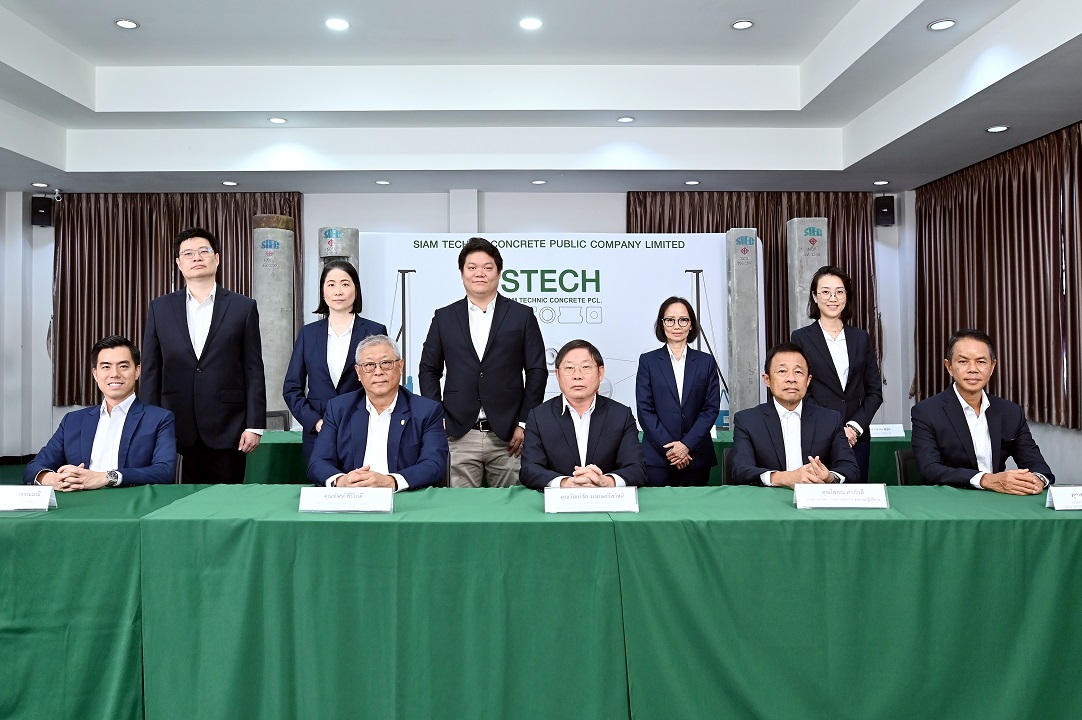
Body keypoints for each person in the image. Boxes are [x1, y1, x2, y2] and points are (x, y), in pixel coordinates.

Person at [140, 227, 266, 484]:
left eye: (203, 251)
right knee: (177, 501)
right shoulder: (160, 308)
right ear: (179, 263)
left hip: (228, 427)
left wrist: (254, 425)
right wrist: (150, 425)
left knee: (225, 500)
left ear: (216, 258)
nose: (196, 257)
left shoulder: (243, 307)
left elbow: (253, 368)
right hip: (174, 425)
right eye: (188, 253)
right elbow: (151, 370)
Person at [419, 237, 547, 487]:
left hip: (509, 435)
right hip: (458, 433)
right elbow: (428, 369)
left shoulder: (521, 315)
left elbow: (537, 371)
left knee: (511, 504)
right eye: (472, 267)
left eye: (488, 267)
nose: (480, 273)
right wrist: (437, 416)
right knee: (460, 506)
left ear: (499, 273)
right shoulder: (444, 317)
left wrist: (524, 423)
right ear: (462, 273)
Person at [910, 329, 1054, 494]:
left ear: (992, 367)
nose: (973, 369)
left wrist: (1037, 480)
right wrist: (985, 480)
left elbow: (1037, 465)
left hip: (998, 499)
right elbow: (930, 470)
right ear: (949, 367)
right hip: (952, 499)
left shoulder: (1011, 412)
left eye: (981, 362)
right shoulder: (926, 412)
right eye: (963, 361)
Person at [24, 335, 176, 488]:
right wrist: (54, 479)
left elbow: (164, 471)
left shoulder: (160, 418)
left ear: (137, 371)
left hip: (132, 499)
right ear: (95, 374)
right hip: (80, 498)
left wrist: (107, 477)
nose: (114, 374)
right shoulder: (73, 420)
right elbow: (34, 468)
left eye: (123, 366)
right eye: (106, 367)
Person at [308, 335, 448, 490]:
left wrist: (391, 481)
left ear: (400, 366)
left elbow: (433, 464)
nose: (378, 372)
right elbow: (318, 462)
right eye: (369, 365)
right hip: (352, 495)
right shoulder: (338, 408)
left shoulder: (427, 411)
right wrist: (341, 480)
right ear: (358, 372)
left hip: (402, 496)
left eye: (386, 363)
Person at [284, 260, 387, 462]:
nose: (338, 291)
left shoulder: (374, 331)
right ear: (323, 292)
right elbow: (291, 388)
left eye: (345, 284)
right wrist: (315, 422)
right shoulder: (308, 334)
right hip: (318, 434)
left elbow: (383, 384)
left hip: (364, 432)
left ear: (356, 290)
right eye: (331, 284)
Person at [791, 265, 883, 482]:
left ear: (846, 296)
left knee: (855, 495)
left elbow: (874, 391)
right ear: (815, 296)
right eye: (825, 292)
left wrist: (853, 427)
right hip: (817, 434)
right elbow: (801, 391)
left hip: (856, 438)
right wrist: (834, 427)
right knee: (817, 493)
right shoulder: (801, 338)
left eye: (839, 292)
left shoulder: (861, 338)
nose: (833, 298)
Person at [520, 339, 647, 490]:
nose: (577, 375)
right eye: (569, 368)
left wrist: (605, 481)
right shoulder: (539, 417)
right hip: (559, 500)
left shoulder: (621, 415)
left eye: (585, 367)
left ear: (600, 373)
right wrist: (565, 483)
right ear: (558, 375)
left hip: (606, 499)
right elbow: (529, 469)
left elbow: (636, 469)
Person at [731, 342, 858, 487]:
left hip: (814, 497)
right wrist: (784, 478)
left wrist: (829, 477)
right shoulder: (747, 421)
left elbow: (850, 469)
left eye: (798, 372)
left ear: (808, 380)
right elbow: (740, 471)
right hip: (767, 499)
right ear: (767, 379)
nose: (791, 378)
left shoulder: (830, 420)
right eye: (782, 371)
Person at [636, 296, 721, 486]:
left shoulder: (706, 362)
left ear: (691, 325)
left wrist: (686, 445)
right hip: (657, 457)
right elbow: (645, 409)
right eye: (670, 320)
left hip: (696, 456)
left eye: (683, 320)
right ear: (662, 324)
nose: (677, 326)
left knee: (695, 505)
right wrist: (672, 449)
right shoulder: (648, 361)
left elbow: (710, 409)